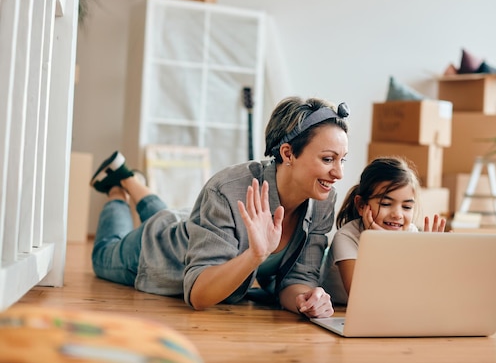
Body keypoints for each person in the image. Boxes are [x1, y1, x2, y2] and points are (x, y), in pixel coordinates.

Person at [89, 96, 349, 318]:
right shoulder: (228, 188)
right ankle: (116, 190)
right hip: (156, 252)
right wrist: (254, 256)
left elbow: (298, 278)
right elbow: (199, 295)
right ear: (288, 153)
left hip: (189, 225)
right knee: (102, 254)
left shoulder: (322, 201)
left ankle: (129, 178)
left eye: (342, 160)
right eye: (328, 159)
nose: (338, 173)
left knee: (174, 220)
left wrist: (306, 300)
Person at [319, 156, 446, 305]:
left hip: (386, 310)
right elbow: (362, 297)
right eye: (386, 204)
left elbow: (413, 293)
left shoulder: (410, 233)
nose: (397, 214)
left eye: (406, 207)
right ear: (361, 205)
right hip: (339, 311)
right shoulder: (346, 237)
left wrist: (430, 260)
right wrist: (382, 243)